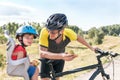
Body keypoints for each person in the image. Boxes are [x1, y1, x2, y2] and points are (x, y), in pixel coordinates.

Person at [39, 13, 96, 80]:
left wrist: (92, 48)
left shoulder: (69, 33)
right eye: (48, 30)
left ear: (61, 31)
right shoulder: (44, 31)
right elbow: (42, 53)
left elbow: (79, 38)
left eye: (53, 32)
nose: (49, 34)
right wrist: (62, 56)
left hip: (60, 59)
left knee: (57, 78)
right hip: (47, 59)